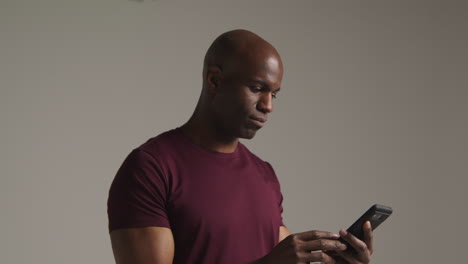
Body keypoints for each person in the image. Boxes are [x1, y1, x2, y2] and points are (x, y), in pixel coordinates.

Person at [107, 29, 374, 264]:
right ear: (214, 80)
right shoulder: (150, 168)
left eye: (274, 94)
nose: (268, 105)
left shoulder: (264, 175)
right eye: (258, 88)